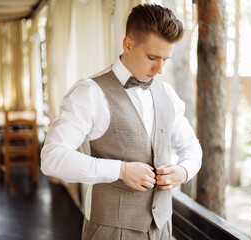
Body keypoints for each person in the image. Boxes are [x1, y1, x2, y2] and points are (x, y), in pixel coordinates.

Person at [41, 3, 202, 240]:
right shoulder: (89, 92)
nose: (159, 69)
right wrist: (121, 170)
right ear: (127, 44)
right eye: (152, 57)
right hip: (111, 232)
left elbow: (191, 146)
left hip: (163, 229)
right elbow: (52, 159)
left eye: (165, 60)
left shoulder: (167, 93)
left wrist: (184, 170)